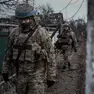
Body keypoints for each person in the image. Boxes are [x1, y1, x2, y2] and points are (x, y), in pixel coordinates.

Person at [2, 3, 56, 94]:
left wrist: (51, 76)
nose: (23, 22)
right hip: (20, 75)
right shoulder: (14, 33)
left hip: (37, 75)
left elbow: (51, 54)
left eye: (26, 19)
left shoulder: (41, 33)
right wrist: (5, 70)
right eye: (21, 19)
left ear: (32, 17)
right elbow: (9, 53)